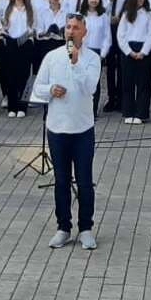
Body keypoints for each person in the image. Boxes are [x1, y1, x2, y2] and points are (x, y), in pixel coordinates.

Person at [38, 13, 100, 250]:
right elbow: (38, 87)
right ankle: (63, 227)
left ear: (84, 32)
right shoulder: (52, 57)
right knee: (61, 180)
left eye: (76, 27)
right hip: (57, 127)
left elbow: (89, 87)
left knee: (84, 181)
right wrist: (50, 89)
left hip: (82, 128)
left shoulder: (92, 59)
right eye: (68, 27)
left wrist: (75, 63)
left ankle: (86, 228)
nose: (71, 31)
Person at [116, 0, 151, 124]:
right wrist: (129, 52)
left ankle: (141, 113)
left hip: (144, 50)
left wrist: (143, 52)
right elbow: (120, 35)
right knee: (128, 82)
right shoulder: (126, 14)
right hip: (129, 50)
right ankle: (128, 111)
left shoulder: (149, 15)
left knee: (143, 83)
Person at [0, 0, 36, 118]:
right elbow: (4, 25)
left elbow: (33, 27)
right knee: (11, 76)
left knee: (24, 76)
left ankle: (23, 106)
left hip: (25, 43)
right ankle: (12, 106)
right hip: (12, 43)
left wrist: (24, 38)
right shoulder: (9, 9)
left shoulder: (30, 9)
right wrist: (6, 36)